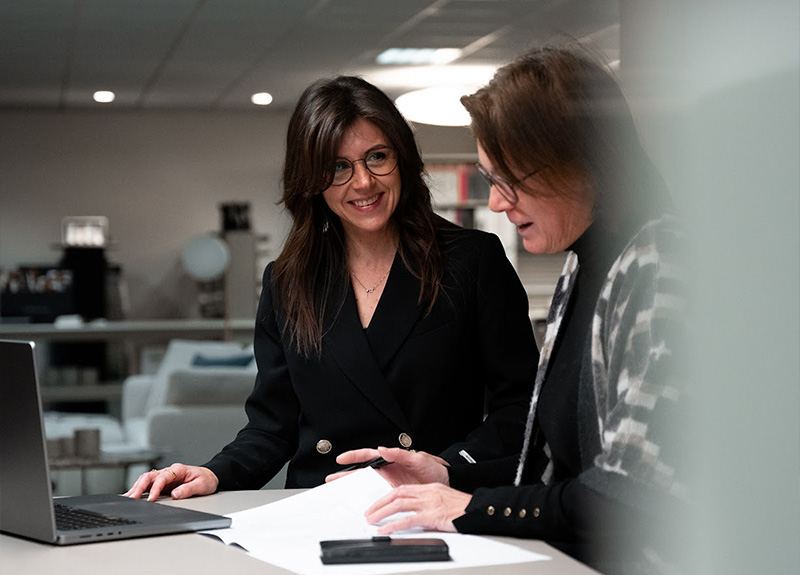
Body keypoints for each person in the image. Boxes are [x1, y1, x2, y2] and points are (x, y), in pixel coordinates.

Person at [331, 46, 686, 575]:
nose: (496, 204)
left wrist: (471, 507)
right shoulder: (582, 265)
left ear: (580, 161)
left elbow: (627, 494)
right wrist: (447, 475)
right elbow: (556, 472)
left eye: (509, 181)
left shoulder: (660, 265)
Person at [125, 76, 538, 500]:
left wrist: (450, 467)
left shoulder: (471, 259)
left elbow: (522, 406)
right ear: (311, 179)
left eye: (377, 157)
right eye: (339, 167)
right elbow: (273, 425)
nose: (363, 182)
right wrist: (214, 473)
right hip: (318, 505)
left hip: (428, 504)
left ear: (403, 158)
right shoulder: (287, 281)